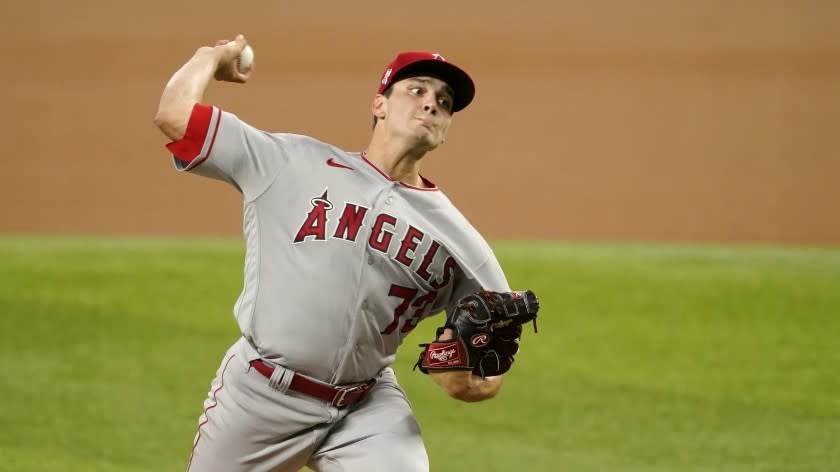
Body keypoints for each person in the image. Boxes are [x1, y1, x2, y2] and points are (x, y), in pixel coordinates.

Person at [154, 34, 527, 472]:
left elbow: (488, 368)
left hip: (365, 408)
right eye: (417, 90)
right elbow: (174, 116)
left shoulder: (463, 244)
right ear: (379, 104)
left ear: (445, 130)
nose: (431, 104)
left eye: (444, 102)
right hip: (259, 395)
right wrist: (209, 57)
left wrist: (464, 378)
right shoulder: (289, 163)